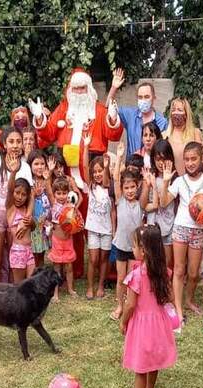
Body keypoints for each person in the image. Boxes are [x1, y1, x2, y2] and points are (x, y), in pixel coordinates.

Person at [30, 68, 124, 279]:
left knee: (94, 223)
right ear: (70, 90)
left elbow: (113, 133)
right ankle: (72, 268)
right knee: (66, 221)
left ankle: (98, 269)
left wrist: (112, 116)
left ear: (89, 89)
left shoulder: (99, 110)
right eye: (76, 88)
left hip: (94, 176)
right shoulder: (63, 109)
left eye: (83, 88)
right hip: (65, 178)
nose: (80, 92)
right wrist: (39, 118)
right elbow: (48, 132)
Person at [159, 142, 203, 327]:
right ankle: (178, 308)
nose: (190, 163)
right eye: (187, 159)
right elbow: (163, 202)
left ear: (201, 159)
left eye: (194, 159)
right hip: (181, 228)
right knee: (178, 269)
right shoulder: (179, 181)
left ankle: (189, 299)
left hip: (198, 232)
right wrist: (166, 180)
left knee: (193, 273)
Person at [121, 225, 177, 388]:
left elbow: (130, 305)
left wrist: (123, 321)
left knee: (140, 369)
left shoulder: (136, 276)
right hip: (159, 325)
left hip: (142, 327)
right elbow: (171, 296)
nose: (132, 249)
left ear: (143, 251)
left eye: (134, 246)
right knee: (153, 364)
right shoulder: (162, 273)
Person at [0, 127, 34, 283]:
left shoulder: (25, 167)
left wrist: (27, 218)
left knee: (13, 260)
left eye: (18, 141)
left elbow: (31, 195)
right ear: (4, 144)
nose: (15, 145)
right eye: (11, 141)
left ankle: (11, 298)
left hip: (17, 218)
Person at [110, 142, 157, 321]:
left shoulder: (140, 205)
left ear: (136, 187)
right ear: (122, 190)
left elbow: (145, 192)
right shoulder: (120, 201)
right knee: (121, 277)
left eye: (132, 187)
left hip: (136, 247)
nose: (129, 191)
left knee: (132, 278)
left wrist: (146, 181)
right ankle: (120, 305)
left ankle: (132, 304)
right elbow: (115, 179)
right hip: (121, 245)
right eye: (126, 188)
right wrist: (120, 156)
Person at [106, 67, 168, 156]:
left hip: (152, 167)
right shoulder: (130, 115)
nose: (143, 100)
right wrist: (114, 88)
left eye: (146, 97)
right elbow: (109, 107)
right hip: (132, 166)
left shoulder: (162, 122)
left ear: (154, 98)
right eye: (140, 97)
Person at [83, 131, 113, 300]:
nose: (97, 174)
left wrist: (107, 168)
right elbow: (86, 167)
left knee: (103, 259)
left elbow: (107, 180)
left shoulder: (109, 188)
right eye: (95, 172)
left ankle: (101, 285)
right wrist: (86, 146)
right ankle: (89, 286)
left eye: (100, 171)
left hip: (107, 229)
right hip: (93, 229)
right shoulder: (91, 187)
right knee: (93, 259)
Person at [47, 176, 81, 301]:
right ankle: (55, 293)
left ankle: (70, 288)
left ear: (68, 193)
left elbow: (80, 197)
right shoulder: (54, 203)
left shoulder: (70, 205)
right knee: (56, 268)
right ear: (55, 194)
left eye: (64, 193)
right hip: (57, 240)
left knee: (69, 267)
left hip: (68, 241)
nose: (61, 196)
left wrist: (72, 185)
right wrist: (48, 176)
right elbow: (49, 191)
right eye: (58, 193)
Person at [5, 154, 36, 283]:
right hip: (18, 251)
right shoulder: (11, 208)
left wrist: (31, 222)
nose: (19, 197)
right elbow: (10, 189)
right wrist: (13, 172)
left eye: (23, 195)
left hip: (29, 250)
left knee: (31, 282)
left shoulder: (26, 210)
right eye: (17, 193)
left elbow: (32, 228)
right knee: (19, 285)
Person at [149, 139, 177, 271]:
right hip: (153, 225)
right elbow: (144, 203)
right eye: (157, 159)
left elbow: (164, 203)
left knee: (167, 261)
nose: (161, 163)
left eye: (164, 159)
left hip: (169, 225)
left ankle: (166, 287)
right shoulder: (150, 177)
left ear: (170, 159)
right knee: (152, 260)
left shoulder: (175, 179)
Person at [163, 98, 202, 175]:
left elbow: (201, 159)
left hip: (192, 179)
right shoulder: (165, 135)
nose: (176, 113)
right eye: (173, 110)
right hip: (172, 181)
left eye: (180, 110)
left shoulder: (195, 133)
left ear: (186, 114)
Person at [27, 149, 52, 268]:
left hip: (44, 223)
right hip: (33, 222)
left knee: (41, 252)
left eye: (42, 164)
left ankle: (40, 274)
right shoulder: (29, 182)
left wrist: (47, 182)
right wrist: (34, 194)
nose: (40, 167)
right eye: (36, 164)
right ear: (30, 165)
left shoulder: (46, 180)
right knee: (32, 254)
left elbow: (52, 199)